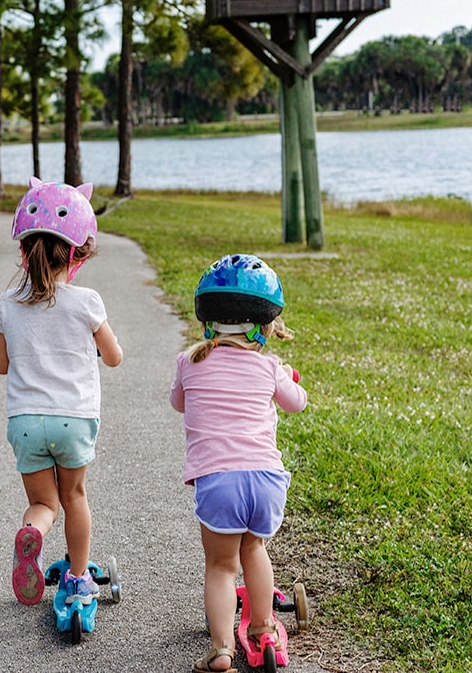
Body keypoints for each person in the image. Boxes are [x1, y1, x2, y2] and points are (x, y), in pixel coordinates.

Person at [0, 177, 123, 607]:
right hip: (74, 419)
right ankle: (80, 578)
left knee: (45, 504)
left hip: (26, 421)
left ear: (24, 252)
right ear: (77, 253)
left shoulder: (8, 303)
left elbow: (1, 365)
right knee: (75, 496)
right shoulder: (86, 302)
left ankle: (33, 534)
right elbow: (114, 356)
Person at [169, 254, 307, 673]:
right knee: (255, 550)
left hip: (218, 483)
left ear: (207, 320)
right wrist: (285, 375)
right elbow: (297, 403)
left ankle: (222, 648)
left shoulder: (190, 362)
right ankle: (264, 627)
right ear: (264, 325)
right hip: (265, 480)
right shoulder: (269, 367)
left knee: (221, 566)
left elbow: (179, 402)